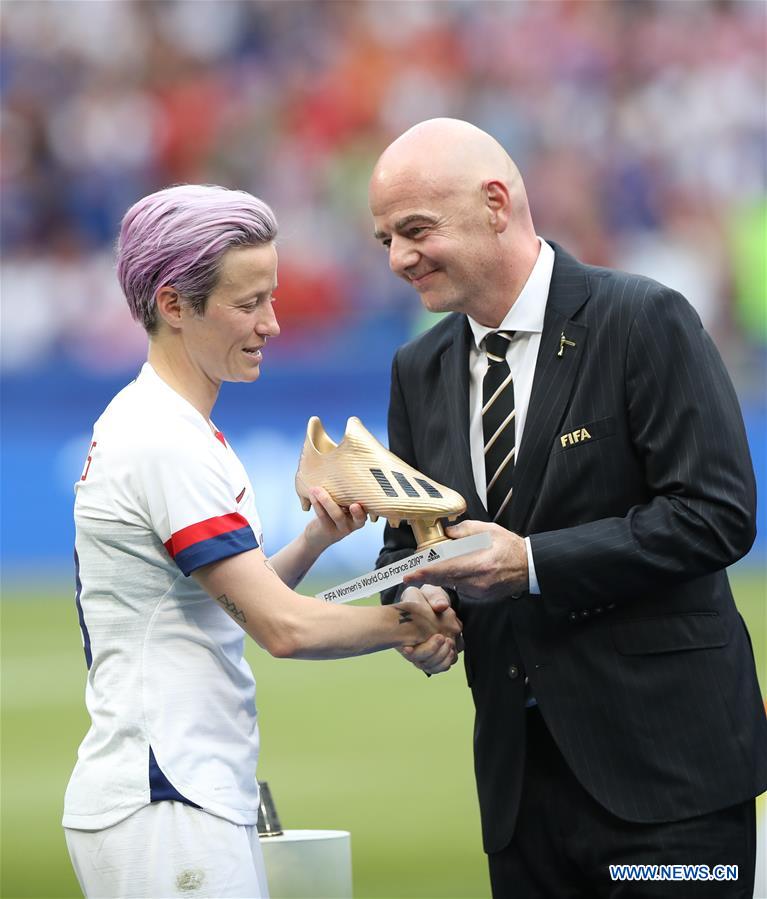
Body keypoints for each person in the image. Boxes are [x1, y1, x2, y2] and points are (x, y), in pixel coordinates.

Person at [369, 119, 767, 897]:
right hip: (521, 788)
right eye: (384, 237)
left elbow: (716, 513)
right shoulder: (417, 368)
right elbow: (405, 542)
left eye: (414, 230)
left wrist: (531, 563)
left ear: (494, 203)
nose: (396, 258)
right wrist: (414, 595)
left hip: (670, 779)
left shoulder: (642, 318)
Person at [62, 184, 461, 899]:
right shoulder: (164, 441)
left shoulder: (167, 425)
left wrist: (312, 540)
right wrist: (409, 621)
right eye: (248, 304)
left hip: (173, 790)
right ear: (173, 304)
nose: (272, 324)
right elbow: (279, 626)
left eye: (270, 298)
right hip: (167, 795)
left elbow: (220, 606)